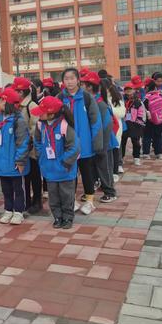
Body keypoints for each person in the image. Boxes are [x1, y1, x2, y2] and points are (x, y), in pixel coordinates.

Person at [59, 68, 103, 215]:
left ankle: (90, 201)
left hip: (85, 144)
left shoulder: (87, 97)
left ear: (78, 80)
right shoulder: (59, 98)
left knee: (87, 173)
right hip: (67, 145)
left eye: (72, 78)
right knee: (70, 174)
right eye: (66, 78)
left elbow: (95, 121)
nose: (69, 81)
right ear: (63, 81)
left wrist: (96, 142)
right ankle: (71, 200)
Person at [33, 97, 80, 229]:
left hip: (65, 169)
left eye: (41, 111)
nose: (38, 114)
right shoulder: (40, 125)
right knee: (53, 196)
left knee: (67, 195)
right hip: (49, 168)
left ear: (51, 114)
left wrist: (65, 163)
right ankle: (57, 217)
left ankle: (68, 217)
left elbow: (74, 147)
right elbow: (37, 141)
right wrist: (40, 155)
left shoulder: (65, 126)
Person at [0, 88, 30, 225]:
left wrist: (20, 160)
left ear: (8, 103)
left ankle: (18, 211)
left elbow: (23, 142)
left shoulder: (18, 121)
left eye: (1, 100)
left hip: (14, 162)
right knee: (6, 188)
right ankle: (8, 210)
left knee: (18, 188)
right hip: (0, 161)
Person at [81, 72, 117, 203]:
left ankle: (110, 192)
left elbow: (107, 124)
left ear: (90, 87)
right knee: (96, 168)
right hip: (96, 141)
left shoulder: (99, 104)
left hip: (103, 142)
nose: (81, 86)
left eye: (83, 84)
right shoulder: (92, 100)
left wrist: (102, 145)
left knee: (104, 167)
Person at [12, 77, 42, 214]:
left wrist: (28, 139)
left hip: (32, 148)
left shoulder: (32, 106)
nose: (16, 93)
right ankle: (27, 200)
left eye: (18, 91)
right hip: (22, 147)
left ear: (23, 92)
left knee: (35, 175)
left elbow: (36, 127)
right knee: (26, 176)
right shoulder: (17, 105)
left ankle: (37, 201)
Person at [142, 78, 162, 160]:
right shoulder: (160, 95)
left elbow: (143, 110)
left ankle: (146, 153)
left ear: (146, 88)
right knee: (158, 136)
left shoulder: (146, 98)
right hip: (160, 120)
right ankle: (159, 153)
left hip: (149, 121)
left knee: (147, 136)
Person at [121, 82, 146, 166]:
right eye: (126, 89)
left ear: (134, 90)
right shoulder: (121, 100)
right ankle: (121, 158)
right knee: (122, 141)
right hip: (124, 123)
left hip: (135, 124)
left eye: (130, 89)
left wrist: (139, 122)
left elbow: (141, 112)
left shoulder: (137, 101)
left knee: (136, 142)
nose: (128, 91)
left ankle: (136, 158)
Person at [106, 82, 126, 182]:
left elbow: (122, 113)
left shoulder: (116, 100)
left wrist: (110, 110)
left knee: (115, 149)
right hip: (106, 129)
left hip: (115, 128)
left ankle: (115, 171)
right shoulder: (101, 99)